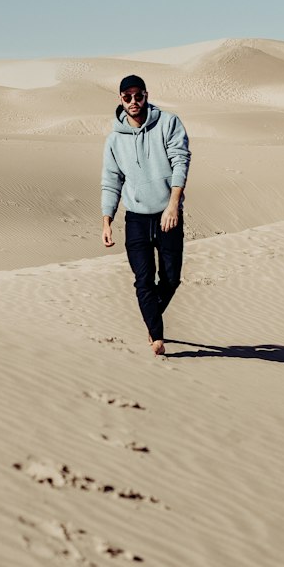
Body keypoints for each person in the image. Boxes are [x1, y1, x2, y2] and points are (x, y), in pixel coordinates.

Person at [101, 74, 190, 357]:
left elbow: (180, 160)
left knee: (171, 278)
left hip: (167, 214)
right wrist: (107, 220)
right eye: (127, 97)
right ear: (120, 100)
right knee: (143, 279)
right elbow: (111, 179)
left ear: (146, 95)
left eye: (138, 95)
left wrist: (173, 204)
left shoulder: (168, 123)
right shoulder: (115, 138)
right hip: (136, 218)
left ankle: (151, 315)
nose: (133, 101)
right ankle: (156, 335)